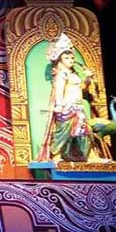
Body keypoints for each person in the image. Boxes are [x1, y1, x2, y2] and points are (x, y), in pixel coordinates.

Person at [38, 32, 109, 163]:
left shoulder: (74, 74)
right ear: (60, 60)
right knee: (63, 133)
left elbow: (82, 88)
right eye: (66, 58)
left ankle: (90, 156)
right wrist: (59, 105)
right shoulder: (62, 74)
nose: (70, 60)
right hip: (66, 107)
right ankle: (56, 155)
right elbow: (59, 90)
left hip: (78, 107)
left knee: (85, 132)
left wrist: (88, 78)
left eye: (71, 58)